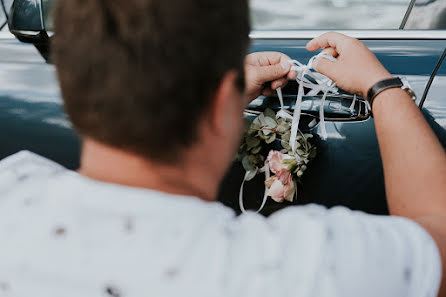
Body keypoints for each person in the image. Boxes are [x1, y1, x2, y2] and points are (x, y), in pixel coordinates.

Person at [0, 0, 445, 296]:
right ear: (222, 103)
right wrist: (382, 87)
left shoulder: (10, 194)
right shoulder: (296, 267)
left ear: (68, 84)